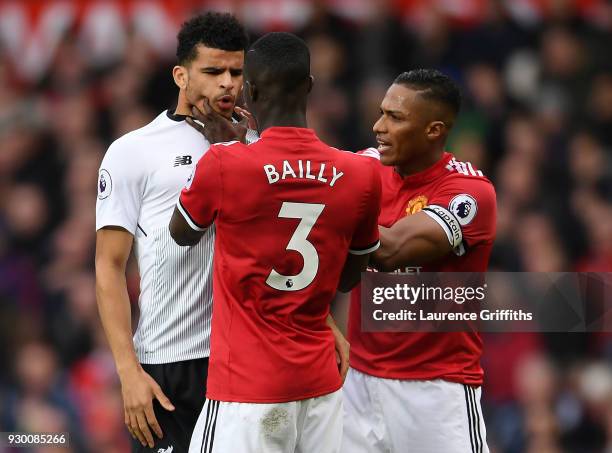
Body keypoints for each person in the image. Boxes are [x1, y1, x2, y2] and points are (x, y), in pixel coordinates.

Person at [169, 32, 382, 453]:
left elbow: (182, 233)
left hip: (247, 389)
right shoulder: (361, 174)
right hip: (320, 388)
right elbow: (347, 280)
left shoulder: (225, 163)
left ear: (251, 90)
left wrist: (229, 148)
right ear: (310, 87)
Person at [95, 12, 251, 452]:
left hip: (242, 359)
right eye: (213, 71)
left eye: (236, 72)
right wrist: (128, 372)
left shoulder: (254, 148)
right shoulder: (133, 151)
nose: (227, 83)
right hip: (168, 365)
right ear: (181, 74)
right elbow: (108, 266)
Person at [342, 69, 496, 453]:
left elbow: (392, 251)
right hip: (357, 384)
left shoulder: (469, 193)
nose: (379, 127)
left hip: (436, 392)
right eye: (381, 113)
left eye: (396, 118)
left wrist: (333, 211)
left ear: (434, 130)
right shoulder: (367, 168)